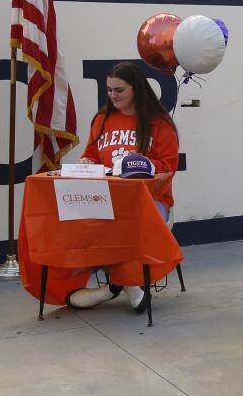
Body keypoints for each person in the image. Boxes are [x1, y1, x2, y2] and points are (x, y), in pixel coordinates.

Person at [67, 62, 179, 312]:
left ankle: (111, 288)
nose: (112, 96)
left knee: (127, 227)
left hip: (151, 202)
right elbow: (92, 156)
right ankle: (128, 286)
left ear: (136, 89)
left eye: (119, 90)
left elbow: (168, 167)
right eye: (109, 90)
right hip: (107, 199)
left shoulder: (159, 122)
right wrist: (87, 162)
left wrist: (139, 162)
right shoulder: (102, 119)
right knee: (82, 225)